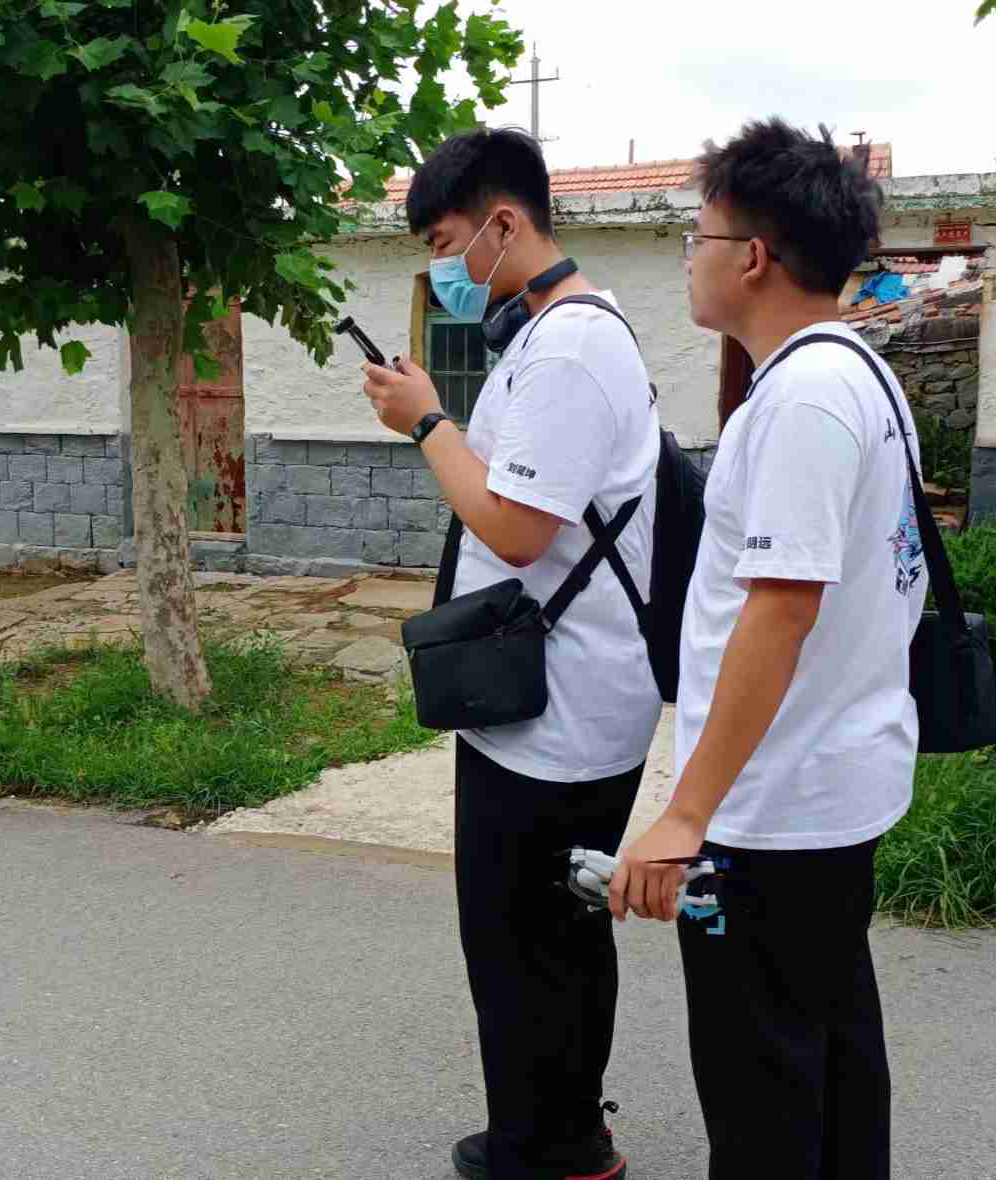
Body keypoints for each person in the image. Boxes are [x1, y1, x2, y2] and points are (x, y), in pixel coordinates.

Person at [608, 119, 922, 1180]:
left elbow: (779, 612)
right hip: (830, 782)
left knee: (763, 1094)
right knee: (830, 1056)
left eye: (694, 237)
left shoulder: (802, 398)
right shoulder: (856, 374)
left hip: (776, 811)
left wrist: (685, 814)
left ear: (751, 256)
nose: (686, 260)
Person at [360, 127, 661, 1180]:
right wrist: (443, 422)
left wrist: (425, 422)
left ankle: (549, 1148)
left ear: (503, 223)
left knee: (520, 936)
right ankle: (565, 1130)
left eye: (446, 244)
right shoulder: (549, 334)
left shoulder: (570, 348)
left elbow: (518, 528)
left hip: (555, 712)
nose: (443, 269)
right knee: (555, 930)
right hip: (544, 690)